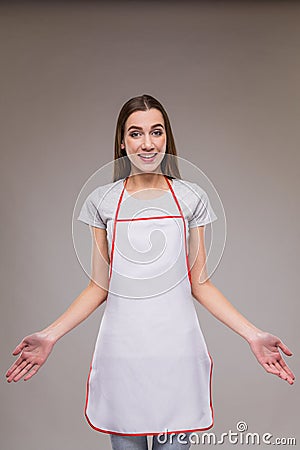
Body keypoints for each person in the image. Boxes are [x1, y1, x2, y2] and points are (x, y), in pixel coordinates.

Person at [6, 94, 295, 450]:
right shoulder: (102, 200)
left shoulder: (191, 197)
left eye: (156, 132)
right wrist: (49, 335)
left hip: (177, 352)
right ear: (122, 141)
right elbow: (99, 286)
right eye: (136, 133)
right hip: (122, 354)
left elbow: (200, 283)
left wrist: (253, 335)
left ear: (166, 139)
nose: (147, 143)